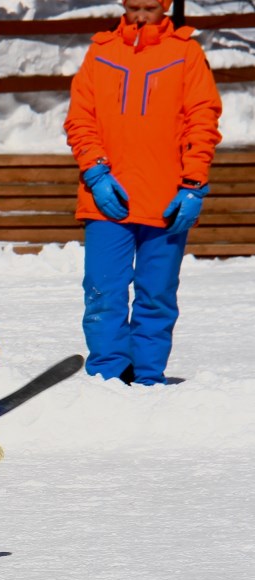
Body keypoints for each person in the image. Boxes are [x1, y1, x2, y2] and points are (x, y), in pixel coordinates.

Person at [64, 0, 221, 385]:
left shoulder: (186, 53)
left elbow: (203, 119)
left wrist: (194, 184)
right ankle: (109, 376)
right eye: (133, 6)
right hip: (108, 201)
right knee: (103, 295)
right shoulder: (101, 52)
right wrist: (96, 172)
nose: (140, 15)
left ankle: (149, 379)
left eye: (149, 7)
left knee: (157, 296)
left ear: (164, 6)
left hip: (167, 201)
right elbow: (80, 118)